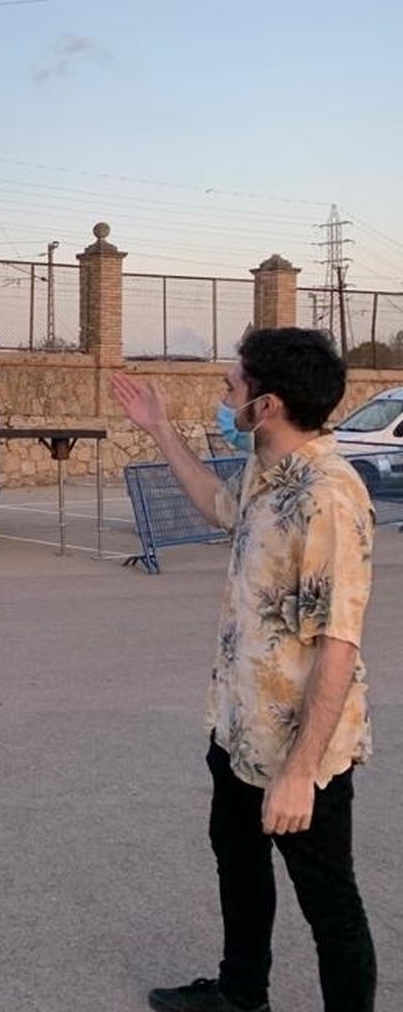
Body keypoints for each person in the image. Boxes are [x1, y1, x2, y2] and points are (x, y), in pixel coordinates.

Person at [112, 327, 377, 1012]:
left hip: (300, 748)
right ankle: (241, 993)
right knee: (238, 861)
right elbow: (219, 507)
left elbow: (339, 644)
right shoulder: (268, 471)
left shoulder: (327, 498)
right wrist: (161, 430)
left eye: (234, 384)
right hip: (240, 728)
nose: (224, 393)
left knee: (330, 905)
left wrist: (299, 774)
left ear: (268, 406)